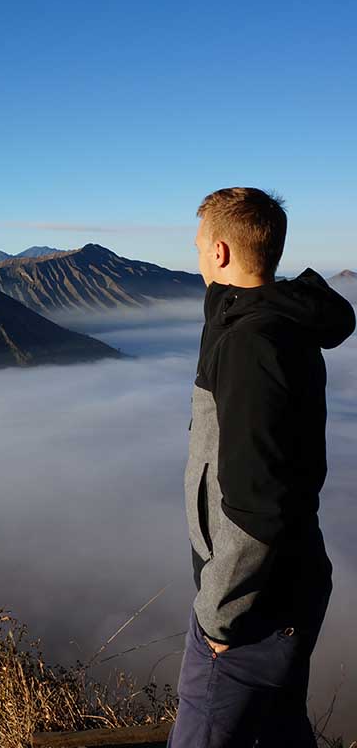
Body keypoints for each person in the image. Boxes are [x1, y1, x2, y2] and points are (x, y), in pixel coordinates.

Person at [167, 187, 355, 747]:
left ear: (220, 252)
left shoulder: (253, 343)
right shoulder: (265, 324)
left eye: (200, 244)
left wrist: (220, 619)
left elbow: (259, 504)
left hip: (251, 607)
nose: (196, 253)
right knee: (276, 733)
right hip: (283, 587)